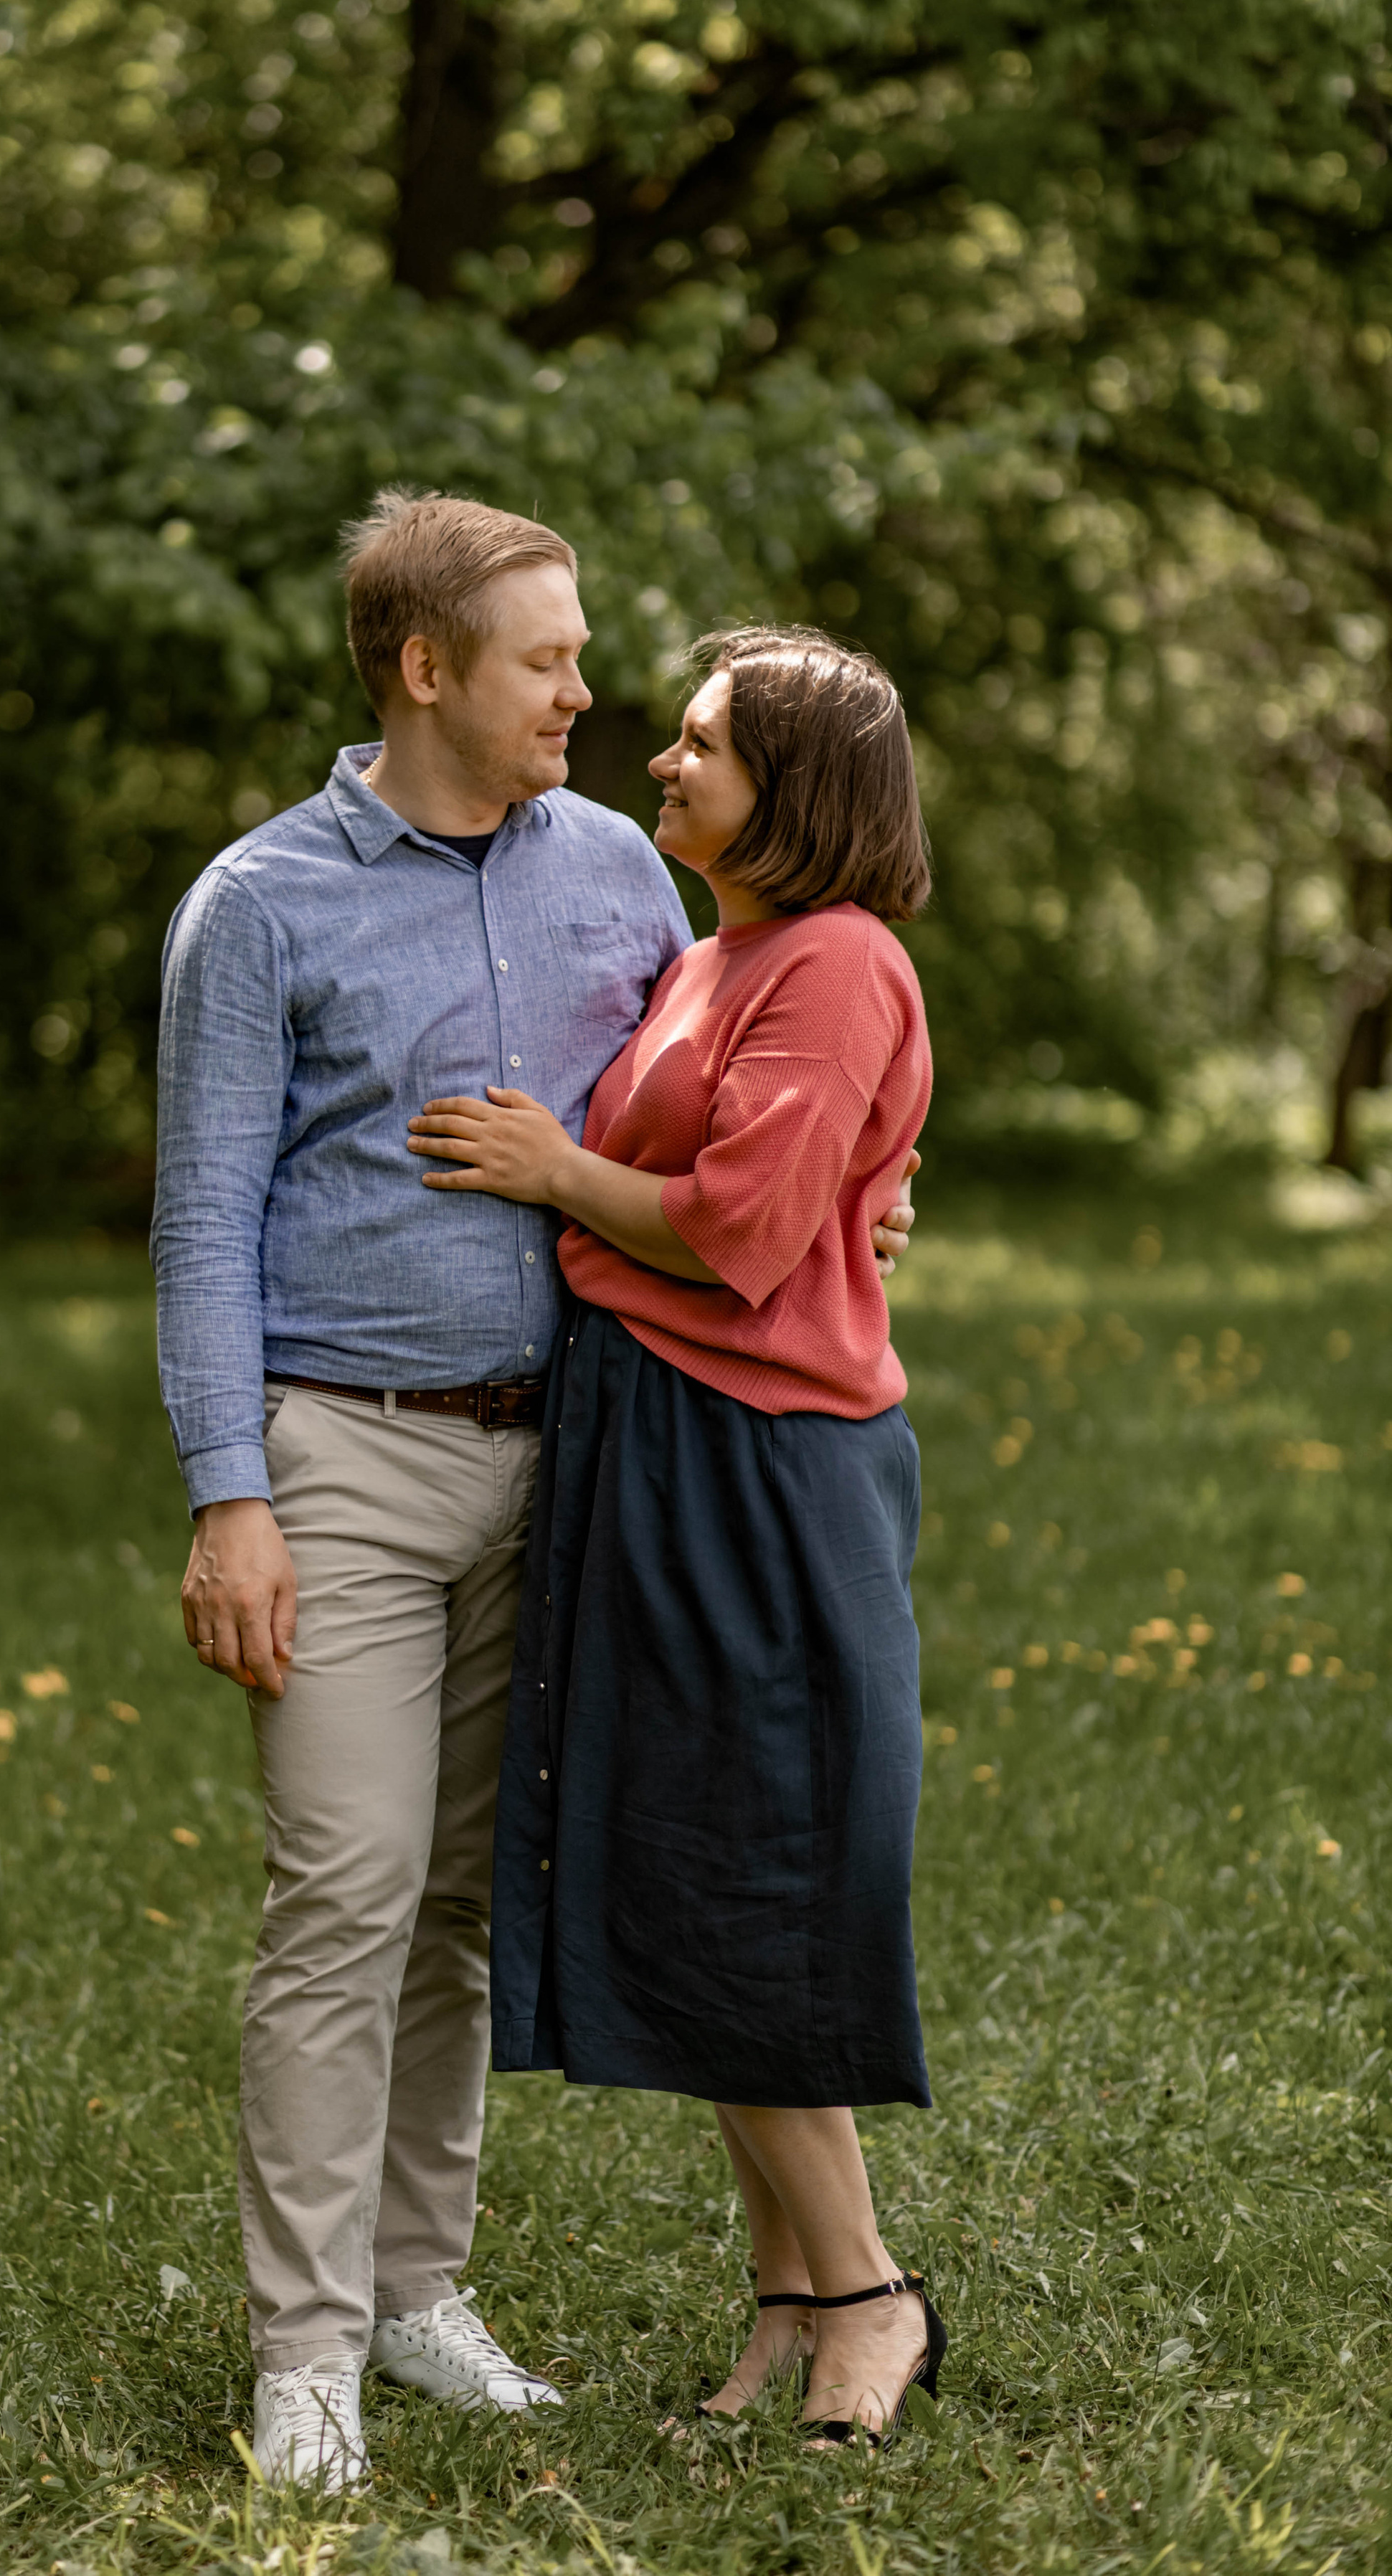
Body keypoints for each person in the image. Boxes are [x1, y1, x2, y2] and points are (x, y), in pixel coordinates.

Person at [151, 500, 918, 2491]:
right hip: (347, 1454)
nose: (587, 692)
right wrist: (232, 1495)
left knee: (466, 1908)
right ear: (426, 671)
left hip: (585, 1456)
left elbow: (745, 1089)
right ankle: (305, 2350)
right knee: (345, 1891)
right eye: (547, 661)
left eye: (588, 658)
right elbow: (201, 1219)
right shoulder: (259, 903)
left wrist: (866, 1187)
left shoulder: (627, 877)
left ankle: (419, 2293)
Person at [406, 625, 944, 2450]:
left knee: (759, 1880)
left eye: (702, 742)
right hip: (652, 1432)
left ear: (796, 786)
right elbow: (803, 1187)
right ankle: (788, 2305)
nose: (658, 762)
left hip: (761, 1463)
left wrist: (550, 1168)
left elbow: (732, 1229)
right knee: (698, 1874)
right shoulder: (722, 953)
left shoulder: (839, 961)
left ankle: (870, 2296)